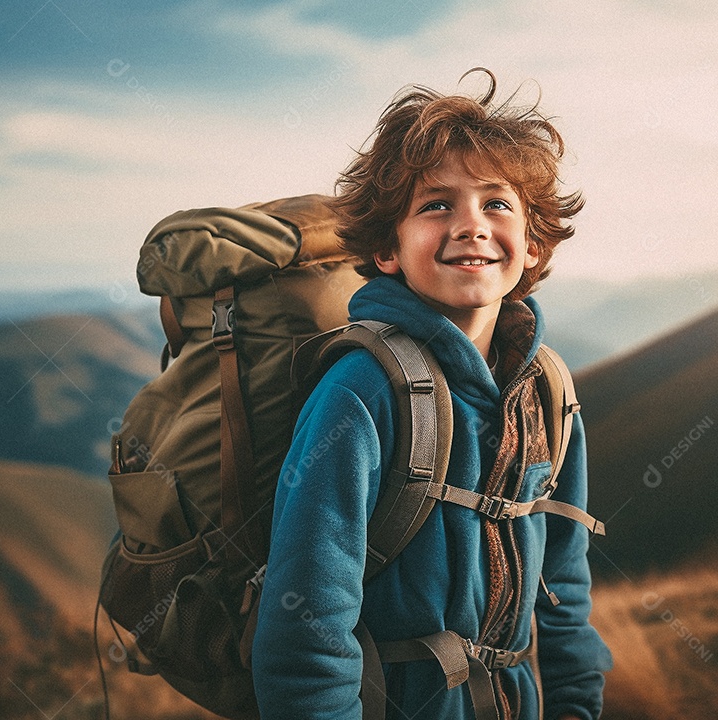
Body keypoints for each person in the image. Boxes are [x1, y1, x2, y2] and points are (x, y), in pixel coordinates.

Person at [252, 69, 612, 720]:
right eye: (436, 204)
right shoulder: (361, 391)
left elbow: (566, 588)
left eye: (496, 203)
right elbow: (306, 626)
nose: (471, 225)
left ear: (532, 243)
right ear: (389, 248)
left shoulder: (546, 390)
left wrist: (576, 707)